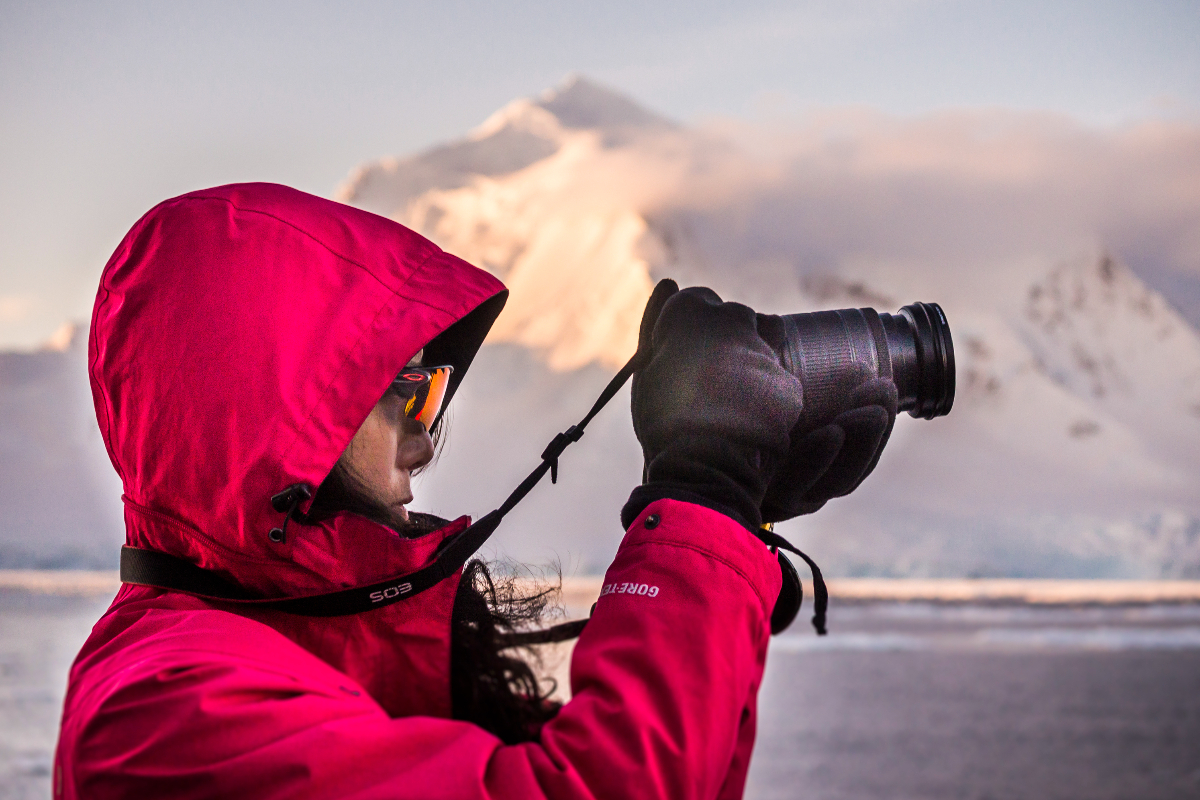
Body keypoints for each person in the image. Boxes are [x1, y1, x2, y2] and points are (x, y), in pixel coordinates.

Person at [55, 183, 894, 798]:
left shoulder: (276, 646)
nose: (423, 442)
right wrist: (702, 506)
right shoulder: (169, 717)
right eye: (406, 394)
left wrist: (730, 531)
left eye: (433, 399)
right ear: (268, 423)